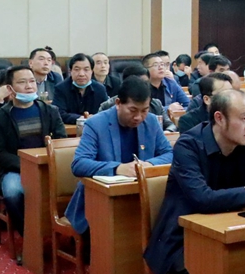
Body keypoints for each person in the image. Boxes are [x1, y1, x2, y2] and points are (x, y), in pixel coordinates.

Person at [144, 89, 245, 274]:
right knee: (219, 270)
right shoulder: (188, 145)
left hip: (231, 227)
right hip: (183, 238)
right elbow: (203, 199)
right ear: (219, 118)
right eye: (244, 118)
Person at [66, 77, 175, 234]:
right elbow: (79, 164)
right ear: (118, 103)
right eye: (133, 110)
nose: (139, 117)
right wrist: (118, 168)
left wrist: (149, 165)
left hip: (139, 197)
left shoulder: (151, 121)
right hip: (98, 202)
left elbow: (169, 154)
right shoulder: (96, 124)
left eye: (144, 110)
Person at [0, 66, 67, 241]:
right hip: (14, 169)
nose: (29, 86)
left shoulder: (50, 111)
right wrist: (26, 165)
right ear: (10, 88)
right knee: (12, 193)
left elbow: (61, 141)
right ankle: (30, 238)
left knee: (74, 187)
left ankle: (59, 234)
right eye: (22, 82)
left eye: (32, 81)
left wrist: (45, 163)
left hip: (47, 166)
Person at [98, 65, 177, 132]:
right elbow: (99, 129)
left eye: (146, 83)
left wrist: (166, 132)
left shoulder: (155, 104)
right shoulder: (107, 106)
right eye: (133, 110)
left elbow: (171, 125)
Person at [53, 53, 109, 124]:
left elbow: (107, 112)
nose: (81, 74)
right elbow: (58, 113)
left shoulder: (100, 89)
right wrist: (81, 118)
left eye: (86, 69)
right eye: (77, 69)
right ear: (70, 71)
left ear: (92, 71)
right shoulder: (61, 88)